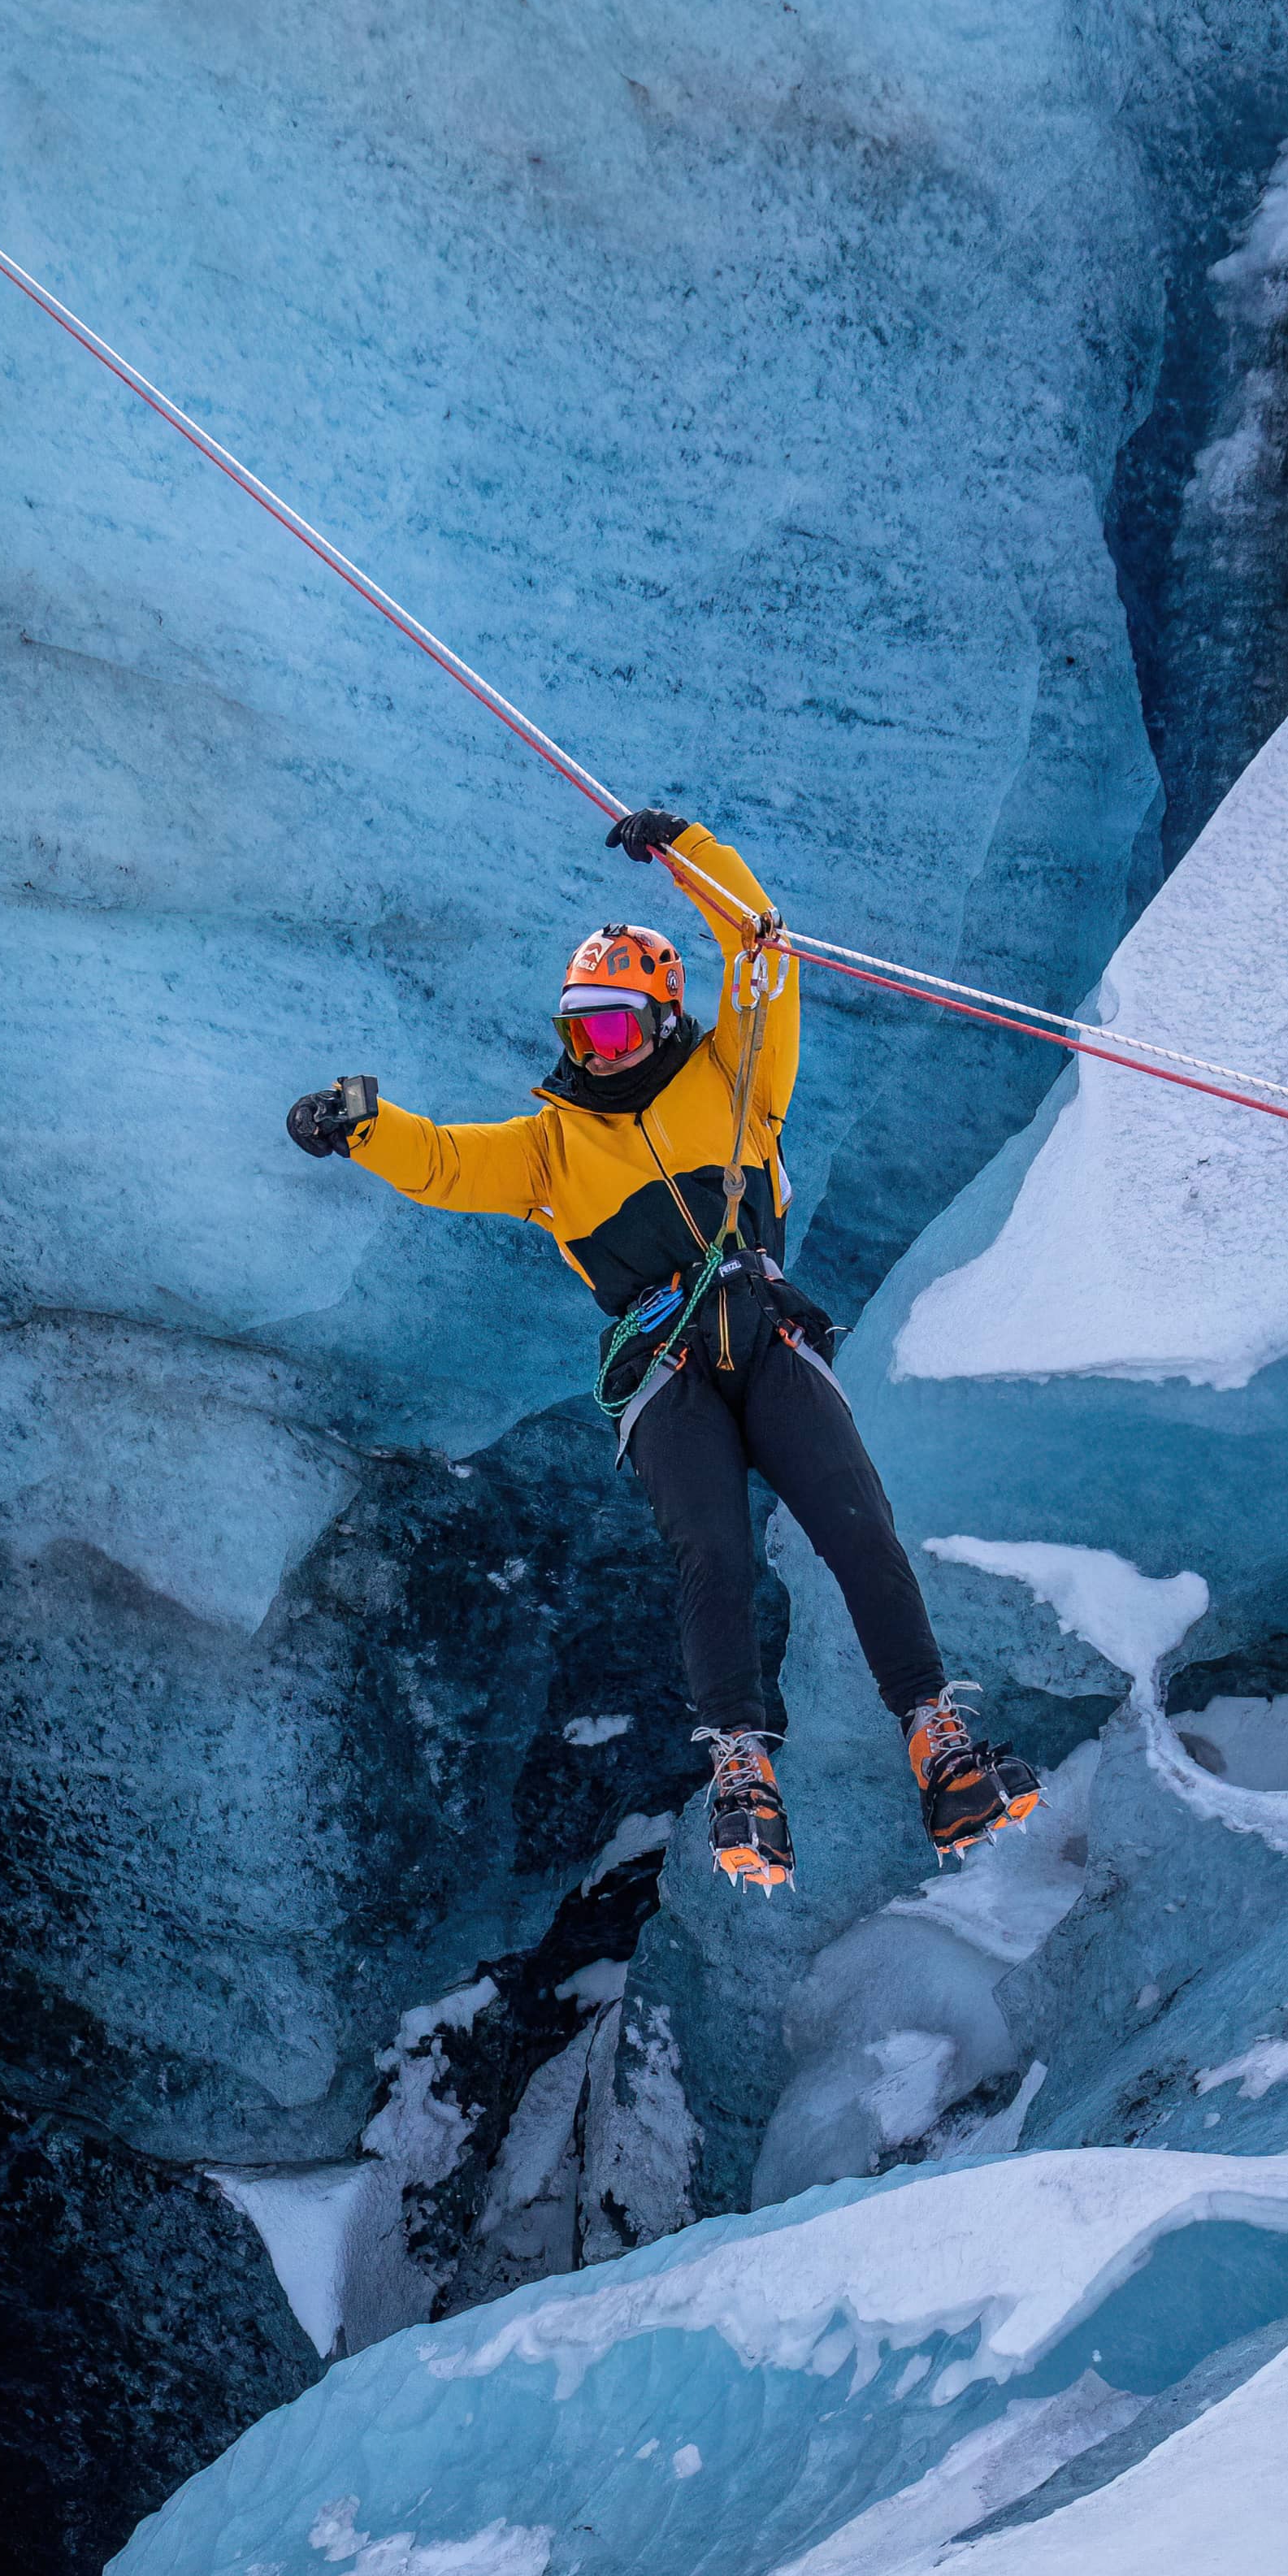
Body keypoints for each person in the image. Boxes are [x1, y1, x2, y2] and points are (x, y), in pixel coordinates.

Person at [286, 804, 1041, 1892]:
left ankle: (934, 1735)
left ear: (658, 1016)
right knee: (713, 1558)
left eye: (611, 1025)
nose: (592, 1045)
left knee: (854, 1523)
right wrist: (364, 1125)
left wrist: (683, 852)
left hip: (768, 1337)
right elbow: (447, 1165)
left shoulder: (734, 1076)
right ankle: (741, 1762)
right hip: (667, 1369)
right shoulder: (549, 1145)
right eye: (578, 1027)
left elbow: (759, 945)